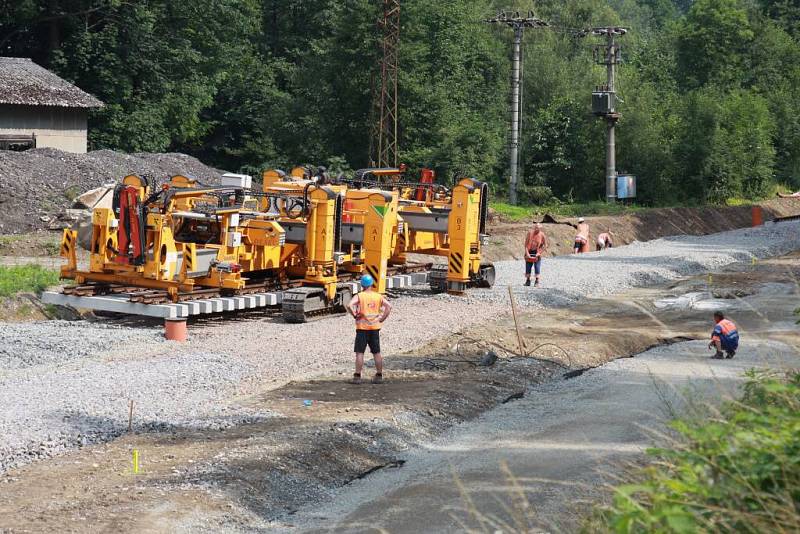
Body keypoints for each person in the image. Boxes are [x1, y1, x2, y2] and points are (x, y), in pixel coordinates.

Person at [345, 274, 393, 384]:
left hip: (362, 328)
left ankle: (357, 376)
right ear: (372, 284)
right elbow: (389, 306)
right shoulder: (378, 296)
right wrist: (382, 319)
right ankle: (379, 375)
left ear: (362, 284)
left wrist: (355, 315)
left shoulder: (360, 296)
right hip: (375, 327)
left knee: (360, 352)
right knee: (376, 352)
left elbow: (349, 305)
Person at [524, 222, 547, 287]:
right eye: (536, 227)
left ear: (540, 229)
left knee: (537, 267)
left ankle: (537, 281)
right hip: (529, 250)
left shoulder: (542, 234)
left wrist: (539, 253)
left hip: (537, 252)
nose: (536, 229)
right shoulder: (530, 233)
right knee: (528, 266)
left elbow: (545, 245)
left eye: (538, 228)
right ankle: (528, 280)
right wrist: (527, 253)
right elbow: (525, 244)